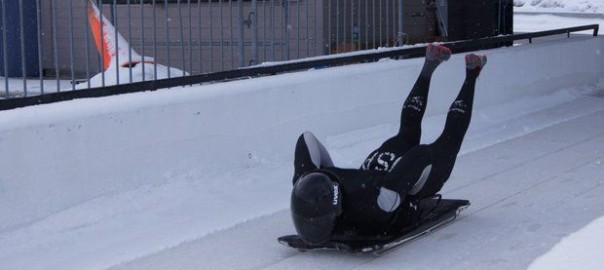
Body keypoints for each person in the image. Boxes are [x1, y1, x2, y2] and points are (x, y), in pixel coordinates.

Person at [290, 43, 487, 245]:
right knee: (408, 130)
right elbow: (306, 139)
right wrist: (312, 177)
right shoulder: (310, 182)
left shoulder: (376, 209)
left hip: (398, 178)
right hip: (381, 165)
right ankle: (434, 65)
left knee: (447, 142)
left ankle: (471, 74)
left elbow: (421, 155)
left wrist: (407, 180)